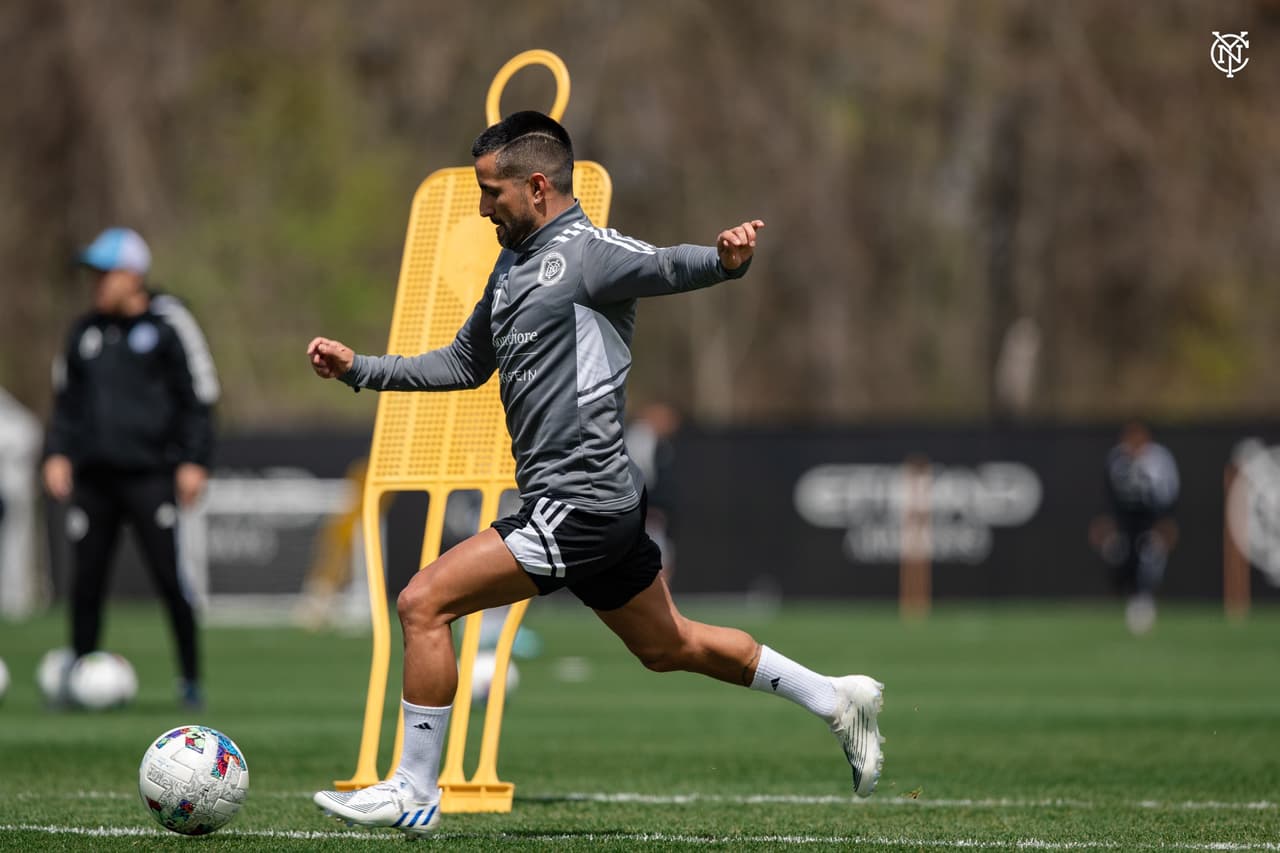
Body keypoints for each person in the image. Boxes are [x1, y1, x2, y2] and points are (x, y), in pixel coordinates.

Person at [307, 111, 884, 837]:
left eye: (492, 192)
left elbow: (669, 265)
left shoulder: (588, 252)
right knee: (669, 646)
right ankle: (835, 698)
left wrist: (725, 260)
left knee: (423, 602)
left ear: (537, 185)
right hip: (591, 507)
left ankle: (413, 791)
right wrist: (362, 369)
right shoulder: (511, 264)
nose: (483, 206)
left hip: (578, 503)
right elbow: (462, 362)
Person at [42, 227, 220, 708]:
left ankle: (189, 680)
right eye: (93, 273)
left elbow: (199, 395)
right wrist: (57, 452)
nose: (96, 282)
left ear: (133, 275)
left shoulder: (169, 324)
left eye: (106, 273)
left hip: (151, 474)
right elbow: (67, 403)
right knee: (85, 579)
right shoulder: (84, 333)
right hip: (95, 477)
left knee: (168, 577)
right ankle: (77, 676)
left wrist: (194, 460)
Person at [1088, 420, 1180, 635]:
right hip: (1124, 519)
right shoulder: (1116, 458)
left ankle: (1143, 603)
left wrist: (1166, 523)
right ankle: (1130, 598)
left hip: (1151, 517)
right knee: (1119, 557)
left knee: (1149, 560)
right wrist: (1105, 521)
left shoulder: (1159, 460)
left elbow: (1169, 493)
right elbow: (1109, 493)